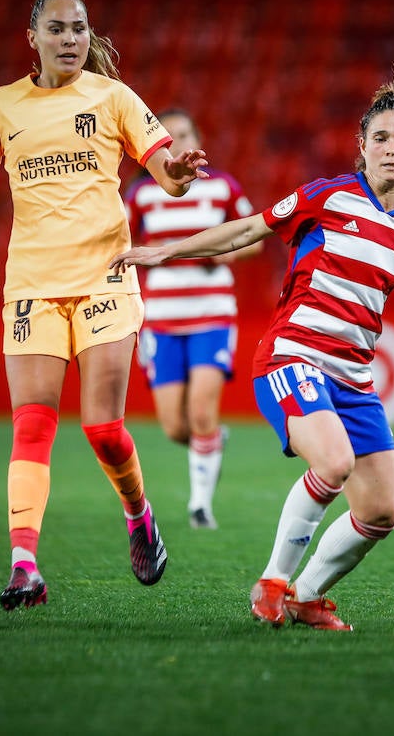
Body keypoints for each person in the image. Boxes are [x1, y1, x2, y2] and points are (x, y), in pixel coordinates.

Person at [109, 68, 394, 631]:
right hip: (294, 355)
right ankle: (273, 582)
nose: (391, 148)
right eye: (380, 138)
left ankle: (306, 596)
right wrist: (161, 253)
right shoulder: (328, 195)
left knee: (381, 512)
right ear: (361, 145)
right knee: (333, 463)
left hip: (354, 377)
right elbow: (245, 231)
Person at [0, 0, 208, 611]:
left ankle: (139, 515)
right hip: (33, 283)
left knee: (103, 429)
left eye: (80, 29)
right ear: (32, 37)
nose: (70, 39)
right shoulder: (2, 105)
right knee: (32, 426)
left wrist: (181, 174)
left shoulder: (113, 98)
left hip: (105, 276)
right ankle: (24, 566)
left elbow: (163, 173)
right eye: (58, 29)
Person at [124, 108, 264, 529]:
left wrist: (225, 252)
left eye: (185, 133)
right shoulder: (142, 193)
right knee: (174, 426)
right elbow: (127, 245)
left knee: (202, 412)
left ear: (198, 136)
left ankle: (199, 506)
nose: (178, 142)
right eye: (169, 138)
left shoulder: (223, 188)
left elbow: (254, 236)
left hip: (211, 314)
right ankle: (210, 445)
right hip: (162, 319)